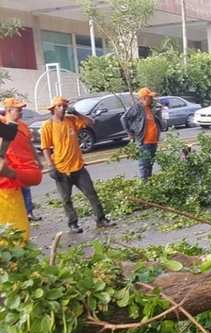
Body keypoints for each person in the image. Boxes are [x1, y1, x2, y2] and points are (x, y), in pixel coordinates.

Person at [40, 96, 114, 234]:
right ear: (53, 109)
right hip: (61, 169)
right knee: (66, 199)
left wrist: (77, 113)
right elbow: (45, 148)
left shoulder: (71, 120)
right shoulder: (48, 126)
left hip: (78, 167)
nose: (62, 109)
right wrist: (51, 167)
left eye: (64, 106)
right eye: (59, 106)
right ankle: (73, 223)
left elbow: (91, 122)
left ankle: (101, 220)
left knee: (92, 194)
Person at [0, 97, 43, 241]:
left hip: (17, 178)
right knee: (13, 234)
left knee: (19, 230)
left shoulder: (21, 126)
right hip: (7, 186)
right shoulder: (4, 127)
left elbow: (29, 145)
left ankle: (29, 211)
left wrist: (37, 160)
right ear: (8, 111)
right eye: (18, 110)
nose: (21, 112)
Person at [121, 87, 165, 180]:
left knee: (150, 164)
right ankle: (145, 185)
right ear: (144, 98)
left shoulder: (150, 108)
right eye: (150, 97)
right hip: (144, 142)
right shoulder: (137, 108)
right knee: (144, 164)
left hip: (153, 142)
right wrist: (130, 133)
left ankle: (148, 183)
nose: (152, 99)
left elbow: (157, 122)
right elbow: (124, 118)